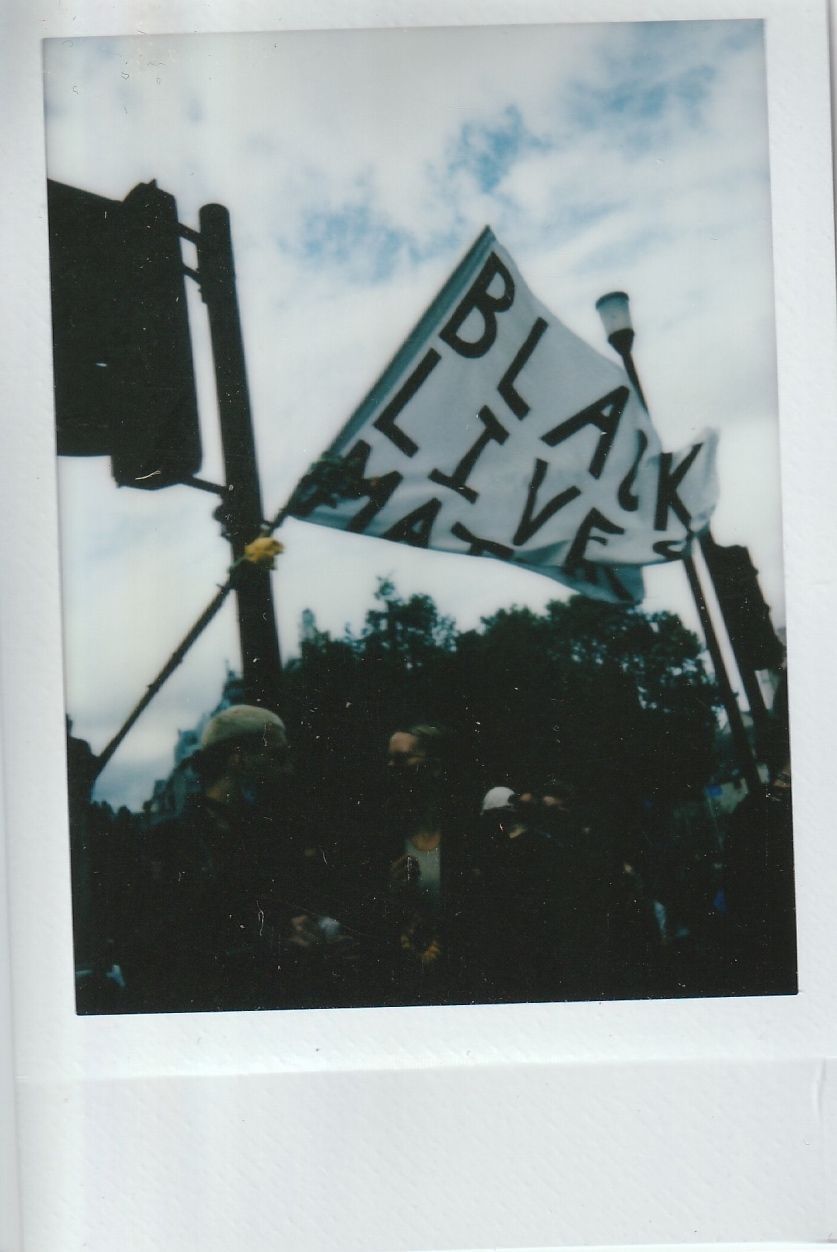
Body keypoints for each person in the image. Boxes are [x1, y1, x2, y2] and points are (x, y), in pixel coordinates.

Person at [126, 704, 335, 1012]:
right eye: (277, 757)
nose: (287, 769)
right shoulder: (167, 844)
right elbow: (160, 953)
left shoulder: (272, 836)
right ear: (238, 759)